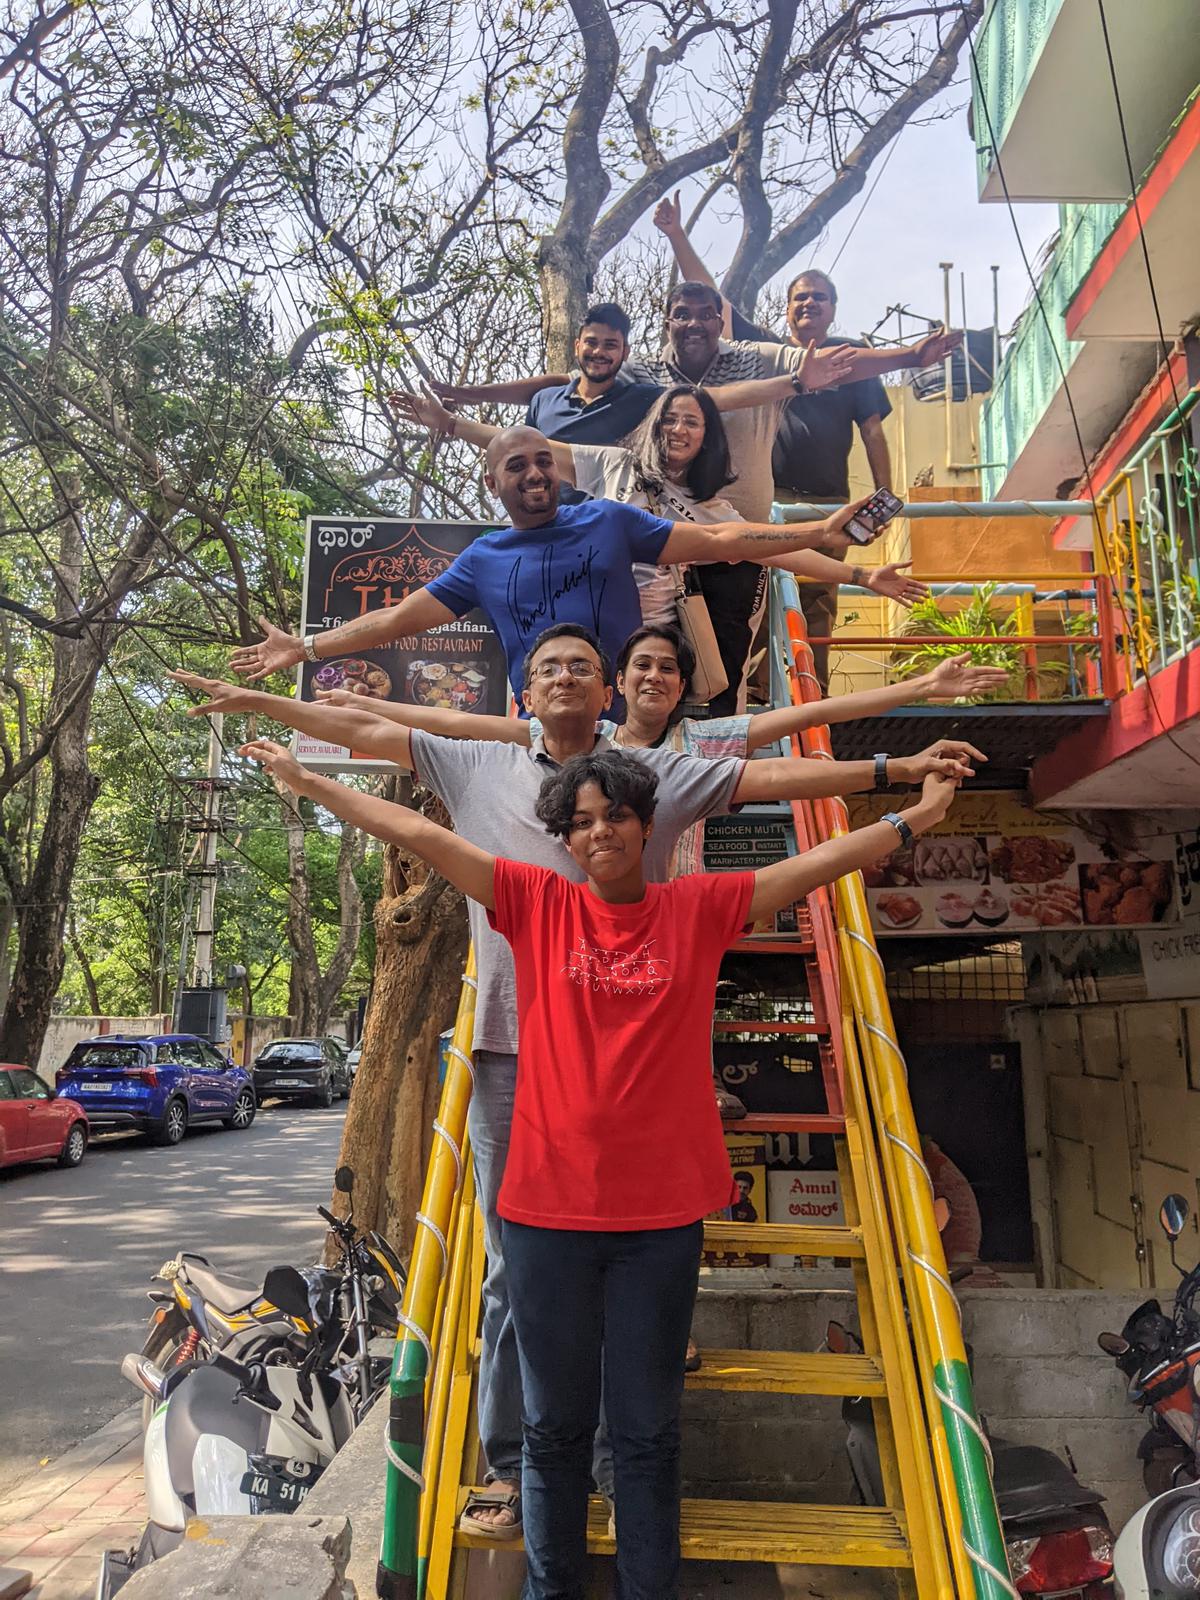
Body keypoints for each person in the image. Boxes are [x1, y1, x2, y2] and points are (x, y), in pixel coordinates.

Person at [182, 625, 983, 1538]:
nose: (566, 678)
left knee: (633, 1278)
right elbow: (368, 737)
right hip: (508, 1051)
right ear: (524, 693)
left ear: (610, 693)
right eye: (547, 668)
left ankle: (615, 1459)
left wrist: (897, 776)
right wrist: (269, 716)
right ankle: (518, 1464)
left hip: (628, 1060)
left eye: (584, 667)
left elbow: (774, 773)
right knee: (512, 1272)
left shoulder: (646, 779)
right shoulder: (477, 763)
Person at [228, 420, 867, 716]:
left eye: (543, 459)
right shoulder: (483, 559)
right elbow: (397, 619)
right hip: (544, 740)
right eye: (517, 465)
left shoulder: (609, 521)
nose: (535, 472)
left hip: (634, 727)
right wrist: (307, 647)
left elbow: (720, 536)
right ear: (492, 484)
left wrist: (818, 530)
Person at [392, 380, 924, 672]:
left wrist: (859, 575)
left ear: (706, 436)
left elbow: (767, 549)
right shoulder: (610, 465)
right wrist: (453, 424)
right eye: (669, 418)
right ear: (653, 426)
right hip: (586, 628)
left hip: (659, 637)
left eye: (692, 421)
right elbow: (526, 449)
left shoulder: (713, 508)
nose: (679, 428)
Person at [653, 195, 960, 691]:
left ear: (832, 308)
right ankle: (750, 690)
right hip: (764, 506)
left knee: (815, 603)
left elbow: (874, 430)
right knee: (752, 591)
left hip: (826, 505)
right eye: (799, 297)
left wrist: (884, 499)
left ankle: (807, 697)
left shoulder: (851, 364)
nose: (808, 304)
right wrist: (677, 236)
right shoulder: (765, 356)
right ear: (788, 309)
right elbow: (710, 304)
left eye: (818, 297)